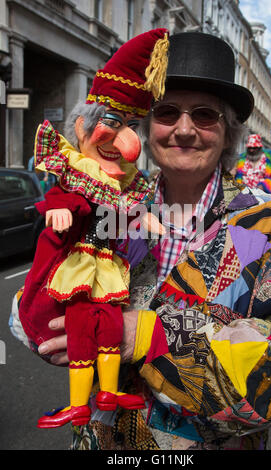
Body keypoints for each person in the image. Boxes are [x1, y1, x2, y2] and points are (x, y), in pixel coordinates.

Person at [10, 32, 271, 451]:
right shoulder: (112, 206)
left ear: (228, 132)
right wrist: (48, 323)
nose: (184, 130)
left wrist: (146, 338)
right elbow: (47, 286)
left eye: (204, 115)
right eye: (167, 112)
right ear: (146, 128)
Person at [18, 28, 169, 428]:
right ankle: (79, 401)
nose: (129, 143)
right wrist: (58, 213)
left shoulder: (129, 186)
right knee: (86, 324)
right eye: (169, 114)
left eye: (205, 114)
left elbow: (125, 210)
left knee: (107, 325)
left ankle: (107, 390)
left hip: (105, 267)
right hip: (84, 265)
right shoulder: (79, 171)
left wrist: (143, 217)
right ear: (82, 126)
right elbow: (62, 197)